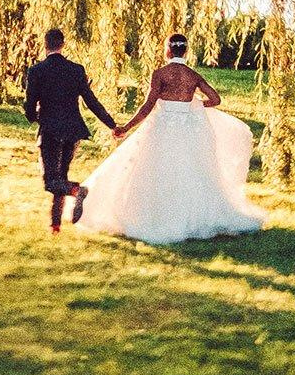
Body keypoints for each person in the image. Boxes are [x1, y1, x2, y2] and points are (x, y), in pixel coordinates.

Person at [75, 32, 266, 246]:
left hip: (161, 129)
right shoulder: (192, 75)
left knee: (155, 171)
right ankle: (191, 217)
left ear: (168, 50)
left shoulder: (160, 74)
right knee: (190, 172)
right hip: (187, 131)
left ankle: (152, 215)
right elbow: (215, 99)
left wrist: (126, 127)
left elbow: (147, 106)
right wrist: (192, 106)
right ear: (186, 50)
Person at [22, 26, 119, 233]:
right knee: (61, 177)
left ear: (45, 45)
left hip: (50, 130)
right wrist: (111, 124)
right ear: (62, 45)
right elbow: (91, 101)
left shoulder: (36, 71)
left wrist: (33, 117)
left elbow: (30, 104)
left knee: (51, 182)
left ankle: (78, 190)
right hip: (73, 130)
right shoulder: (76, 70)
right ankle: (55, 227)